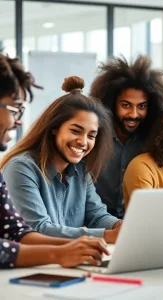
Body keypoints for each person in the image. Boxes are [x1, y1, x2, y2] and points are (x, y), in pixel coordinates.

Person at [0, 54, 108, 268]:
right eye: (14, 109)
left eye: (91, 135)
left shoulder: (80, 170)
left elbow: (15, 231)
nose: (19, 119)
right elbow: (27, 232)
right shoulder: (21, 166)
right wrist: (57, 254)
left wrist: (75, 247)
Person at [90, 55, 163, 218]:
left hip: (141, 221)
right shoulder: (93, 137)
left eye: (141, 106)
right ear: (111, 103)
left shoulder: (154, 139)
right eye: (126, 105)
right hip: (96, 222)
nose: (134, 114)